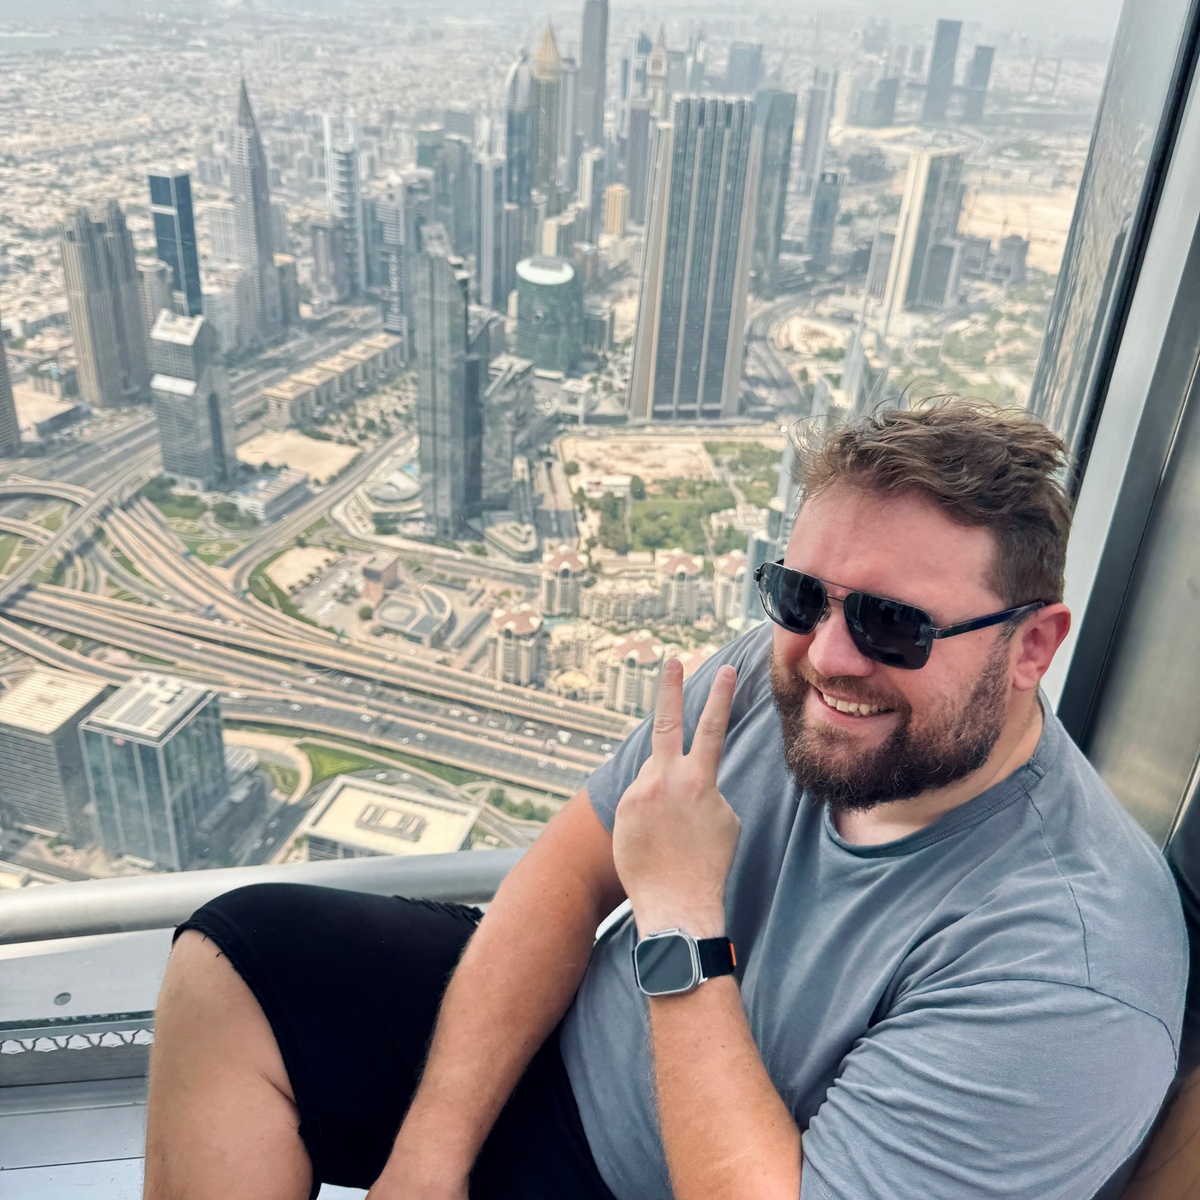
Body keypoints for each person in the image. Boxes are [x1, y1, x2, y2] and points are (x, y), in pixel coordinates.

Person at [144, 400, 1187, 1200]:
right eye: (800, 596)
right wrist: (430, 1157)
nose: (830, 657)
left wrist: (681, 914)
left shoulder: (1071, 972)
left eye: (893, 625)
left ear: (1031, 647)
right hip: (573, 1058)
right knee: (241, 959)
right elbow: (569, 873)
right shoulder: (781, 682)